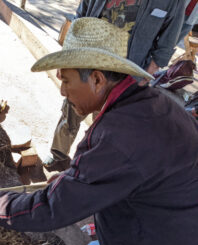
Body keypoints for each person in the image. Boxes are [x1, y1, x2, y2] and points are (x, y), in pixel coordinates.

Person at [0, 18, 198, 245]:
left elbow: (50, 209)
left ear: (97, 79)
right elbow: (135, 172)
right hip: (176, 226)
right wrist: (79, 180)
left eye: (66, 80)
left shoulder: (117, 137)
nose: (62, 91)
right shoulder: (154, 101)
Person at [44, 0, 186, 169]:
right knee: (71, 112)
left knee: (105, 127)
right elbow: (79, 19)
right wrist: (66, 58)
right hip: (85, 63)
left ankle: (86, 168)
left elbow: (166, 45)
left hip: (125, 75)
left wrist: (143, 78)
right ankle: (58, 155)